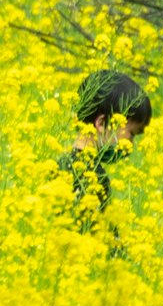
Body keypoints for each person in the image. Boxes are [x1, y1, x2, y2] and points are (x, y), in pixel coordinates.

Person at [64, 68, 151, 224]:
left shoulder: (62, 164)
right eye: (131, 134)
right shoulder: (92, 177)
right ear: (102, 123)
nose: (131, 145)